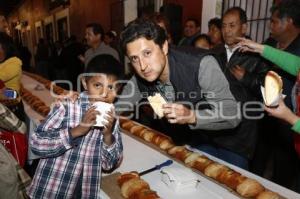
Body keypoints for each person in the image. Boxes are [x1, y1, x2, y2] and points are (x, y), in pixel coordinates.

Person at [117, 18, 240, 155]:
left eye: (147, 53)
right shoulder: (140, 77)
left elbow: (232, 114)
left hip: (230, 143)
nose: (142, 66)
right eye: (134, 58)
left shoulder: (201, 65)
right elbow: (119, 107)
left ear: (164, 47)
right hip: (188, 141)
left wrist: (191, 116)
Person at [27, 54, 124, 198]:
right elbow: (36, 144)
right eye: (97, 85)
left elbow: (108, 165)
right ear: (85, 83)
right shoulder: (68, 106)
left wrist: (108, 136)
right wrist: (76, 131)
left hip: (84, 191)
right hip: (51, 190)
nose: (104, 94)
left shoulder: (112, 120)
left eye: (111, 87)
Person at [0, 32, 25, 121]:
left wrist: (3, 93)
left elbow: (2, 77)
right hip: (3, 106)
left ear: (5, 47)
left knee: (17, 134)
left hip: (13, 107)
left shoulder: (14, 62)